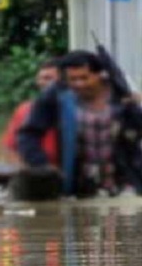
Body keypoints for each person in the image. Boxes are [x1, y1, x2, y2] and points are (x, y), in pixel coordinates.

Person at [18, 50, 142, 197]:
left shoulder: (121, 92)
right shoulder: (57, 95)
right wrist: (41, 164)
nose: (79, 84)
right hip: (78, 183)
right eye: (73, 79)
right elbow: (28, 134)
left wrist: (134, 108)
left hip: (125, 180)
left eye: (84, 78)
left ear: (99, 74)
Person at [3, 60, 60, 165]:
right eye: (40, 78)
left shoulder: (74, 109)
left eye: (48, 78)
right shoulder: (24, 109)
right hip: (35, 168)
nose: (42, 83)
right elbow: (11, 148)